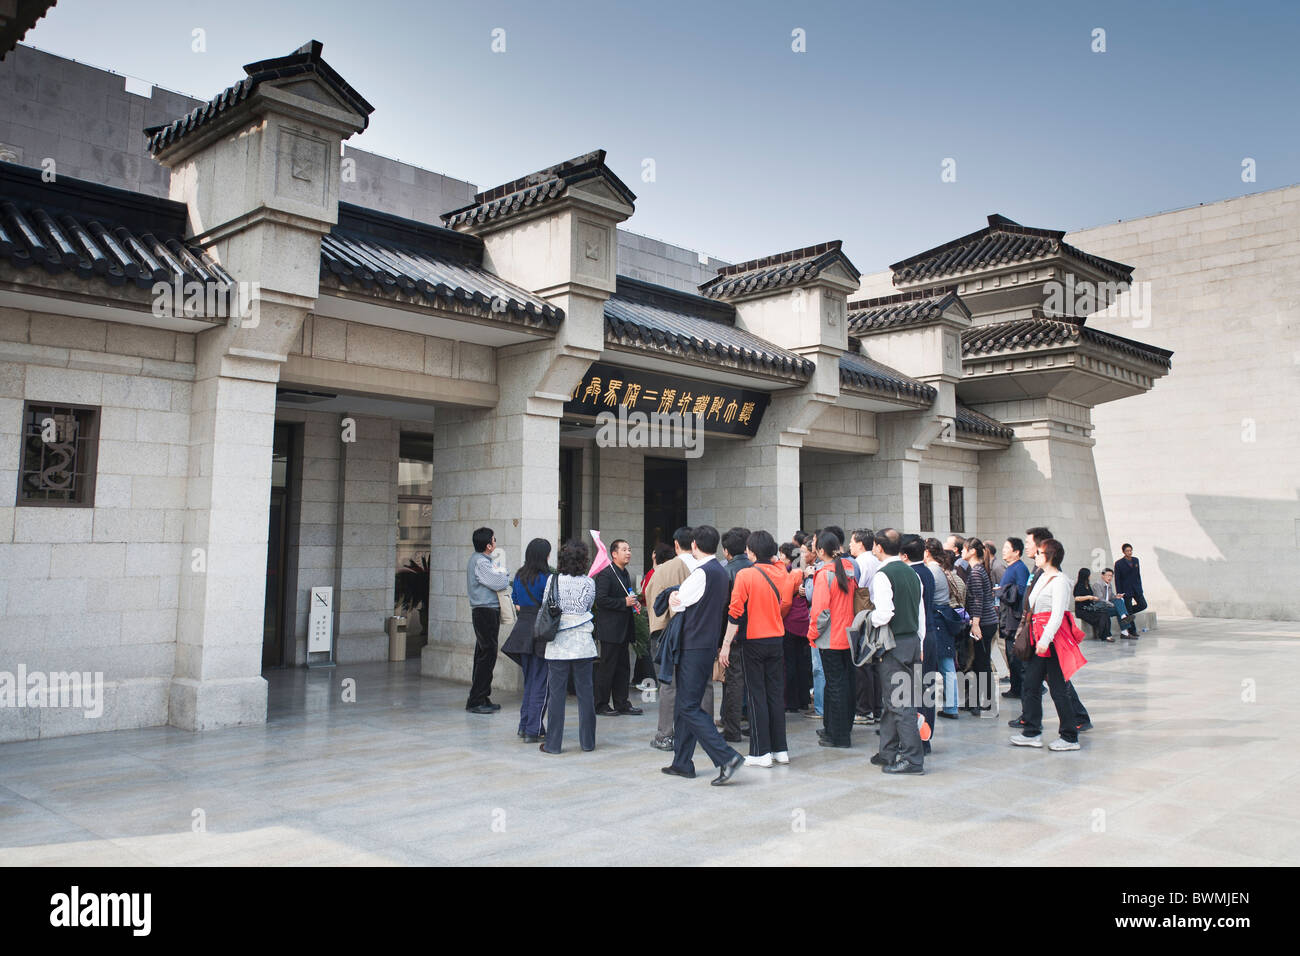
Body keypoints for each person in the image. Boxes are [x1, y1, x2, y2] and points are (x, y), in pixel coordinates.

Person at [664, 525, 744, 786]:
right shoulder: (720, 572)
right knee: (686, 705)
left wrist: (674, 594)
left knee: (687, 705)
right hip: (706, 644)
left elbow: (679, 603)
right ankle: (682, 762)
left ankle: (726, 757)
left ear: (695, 545)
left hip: (693, 647)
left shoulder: (702, 573)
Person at [723, 531, 796, 767]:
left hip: (753, 640)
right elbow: (785, 603)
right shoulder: (782, 572)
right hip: (776, 639)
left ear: (751, 551)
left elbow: (735, 613)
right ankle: (780, 750)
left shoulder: (746, 575)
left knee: (756, 696)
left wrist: (725, 645)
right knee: (775, 695)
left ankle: (760, 752)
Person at [1009, 527, 1093, 734]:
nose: (1027, 547)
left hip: (1046, 636)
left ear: (1042, 549)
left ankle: (1073, 722)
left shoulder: (1055, 577)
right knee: (1035, 680)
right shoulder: (1038, 571)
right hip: (1036, 631)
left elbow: (1056, 613)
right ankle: (1031, 721)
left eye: (1030, 544)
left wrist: (1044, 638)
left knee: (1057, 682)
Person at [644, 527, 714, 752]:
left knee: (669, 684)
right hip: (702, 635)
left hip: (671, 634)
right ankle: (705, 733)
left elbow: (653, 600)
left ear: (676, 544)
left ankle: (666, 735)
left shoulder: (664, 570)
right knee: (703, 684)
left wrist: (659, 629)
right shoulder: (708, 568)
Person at [870, 529, 925, 774]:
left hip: (894, 643)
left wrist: (867, 618)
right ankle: (888, 751)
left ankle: (913, 760)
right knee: (896, 700)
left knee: (900, 703)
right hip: (912, 641)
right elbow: (920, 614)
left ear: (879, 547)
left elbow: (884, 614)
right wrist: (920, 643)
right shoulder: (913, 573)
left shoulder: (883, 575)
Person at [540, 540, 598, 754]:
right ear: (584, 560)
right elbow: (587, 606)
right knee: (586, 694)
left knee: (556, 695)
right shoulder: (589, 583)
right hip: (582, 642)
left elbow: (547, 604)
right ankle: (588, 742)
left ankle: (553, 744)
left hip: (558, 643)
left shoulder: (552, 580)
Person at [807, 530, 858, 749]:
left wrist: (812, 634)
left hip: (830, 638)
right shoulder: (849, 570)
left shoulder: (824, 575)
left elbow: (820, 612)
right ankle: (838, 728)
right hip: (848, 635)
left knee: (834, 686)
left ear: (820, 551)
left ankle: (838, 736)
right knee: (844, 684)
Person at [500, 538, 552, 742]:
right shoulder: (547, 578)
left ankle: (524, 725)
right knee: (541, 682)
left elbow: (516, 602)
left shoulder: (520, 575)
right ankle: (534, 728)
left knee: (530, 681)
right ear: (543, 556)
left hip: (522, 631)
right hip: (540, 633)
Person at [592, 538, 645, 716]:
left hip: (624, 629)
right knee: (607, 668)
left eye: (629, 549)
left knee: (623, 668)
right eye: (624, 549)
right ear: (614, 554)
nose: (628, 552)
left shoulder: (624, 573)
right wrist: (623, 602)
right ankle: (601, 704)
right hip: (610, 630)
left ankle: (622, 703)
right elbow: (600, 600)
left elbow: (627, 596)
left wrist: (633, 602)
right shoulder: (607, 574)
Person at [466, 526, 509, 714]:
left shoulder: (482, 560)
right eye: (494, 539)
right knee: (487, 654)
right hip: (484, 610)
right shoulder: (480, 562)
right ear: (489, 545)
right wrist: (504, 574)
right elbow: (499, 582)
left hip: (486, 611)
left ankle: (482, 696)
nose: (495, 541)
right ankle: (476, 699)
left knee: (484, 653)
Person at [903, 535, 937, 752]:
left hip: (920, 636)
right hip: (931, 633)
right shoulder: (927, 571)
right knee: (925, 689)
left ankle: (920, 739)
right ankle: (925, 737)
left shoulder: (912, 575)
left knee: (916, 691)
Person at [718, 527, 753, 743]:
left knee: (732, 682)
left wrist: (723, 641)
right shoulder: (758, 569)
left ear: (726, 551)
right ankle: (754, 723)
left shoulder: (725, 572)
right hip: (758, 634)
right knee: (754, 681)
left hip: (734, 635)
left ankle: (732, 728)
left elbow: (724, 609)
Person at [849, 528, 883, 725]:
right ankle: (877, 708)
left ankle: (864, 710)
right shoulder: (876, 560)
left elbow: (856, 589)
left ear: (860, 544)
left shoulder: (860, 562)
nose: (850, 546)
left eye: (853, 542)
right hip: (875, 614)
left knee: (862, 664)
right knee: (874, 664)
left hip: (863, 615)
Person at [925, 539, 961, 720]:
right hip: (944, 619)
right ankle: (951, 706)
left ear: (927, 552)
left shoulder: (932, 570)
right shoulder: (940, 569)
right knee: (947, 665)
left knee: (942, 666)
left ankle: (949, 707)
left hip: (937, 620)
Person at [963, 538, 997, 716]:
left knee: (982, 664)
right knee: (980, 663)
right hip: (987, 621)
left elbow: (977, 599)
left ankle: (989, 703)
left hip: (983, 623)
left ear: (972, 551)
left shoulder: (976, 572)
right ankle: (978, 701)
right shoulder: (980, 569)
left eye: (964, 549)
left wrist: (975, 624)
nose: (962, 552)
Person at [780, 542, 812, 712]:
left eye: (782, 556)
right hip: (804, 622)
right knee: (802, 662)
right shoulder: (806, 573)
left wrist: (779, 617)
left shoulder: (792, 574)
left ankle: (791, 701)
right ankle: (803, 699)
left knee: (789, 663)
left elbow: (785, 602)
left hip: (790, 623)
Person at [997, 537, 1030, 699]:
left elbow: (1023, 592)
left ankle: (1023, 689)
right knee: (1012, 656)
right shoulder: (1012, 567)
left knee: (1016, 657)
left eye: (1007, 547)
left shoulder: (1020, 568)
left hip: (1014, 619)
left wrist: (1003, 591)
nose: (1003, 550)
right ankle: (1015, 688)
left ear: (1016, 552)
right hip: (1007, 617)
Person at [1072, 568, 1114, 642]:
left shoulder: (1088, 585)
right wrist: (1089, 597)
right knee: (1101, 616)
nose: (1089, 577)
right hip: (1082, 610)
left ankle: (1107, 635)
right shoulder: (1079, 586)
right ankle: (1103, 635)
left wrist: (1094, 598)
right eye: (1088, 575)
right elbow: (1077, 598)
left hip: (1089, 608)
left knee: (1105, 613)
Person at [1114, 544, 1147, 637]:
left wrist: (1140, 587)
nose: (1129, 552)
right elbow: (1117, 579)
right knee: (1128, 610)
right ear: (1123, 552)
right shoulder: (1119, 563)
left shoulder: (1136, 560)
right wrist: (1119, 592)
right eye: (1127, 551)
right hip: (1126, 590)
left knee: (1143, 605)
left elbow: (1138, 575)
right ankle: (1132, 631)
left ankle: (1127, 613)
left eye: (1130, 550)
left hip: (1136, 589)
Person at [1094, 568, 1136, 636]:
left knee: (1119, 603)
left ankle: (1124, 629)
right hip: (1100, 608)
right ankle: (1124, 619)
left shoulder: (1109, 585)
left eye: (1111, 576)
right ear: (1102, 575)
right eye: (1108, 575)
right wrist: (1112, 604)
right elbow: (1100, 599)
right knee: (1119, 609)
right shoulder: (1097, 584)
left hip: (1107, 607)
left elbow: (1110, 596)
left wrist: (1116, 596)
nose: (1110, 577)